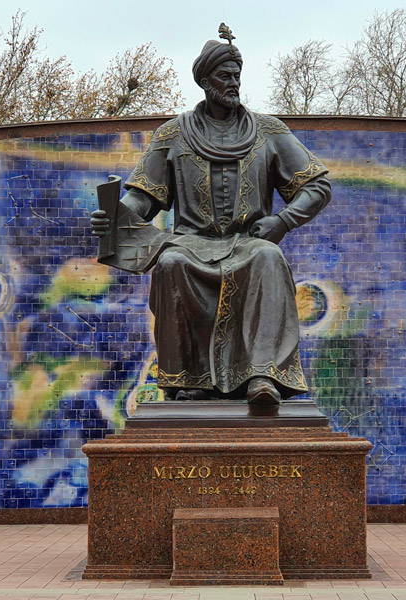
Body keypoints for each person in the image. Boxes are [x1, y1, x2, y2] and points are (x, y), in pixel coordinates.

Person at [91, 25, 331, 407]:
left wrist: (282, 221)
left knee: (268, 258)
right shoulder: (172, 134)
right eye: (225, 75)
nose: (233, 82)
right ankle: (190, 381)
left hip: (248, 242)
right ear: (205, 80)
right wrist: (115, 217)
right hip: (190, 243)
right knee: (170, 262)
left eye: (237, 75)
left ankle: (262, 378)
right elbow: (143, 198)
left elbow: (317, 187)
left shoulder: (268, 130)